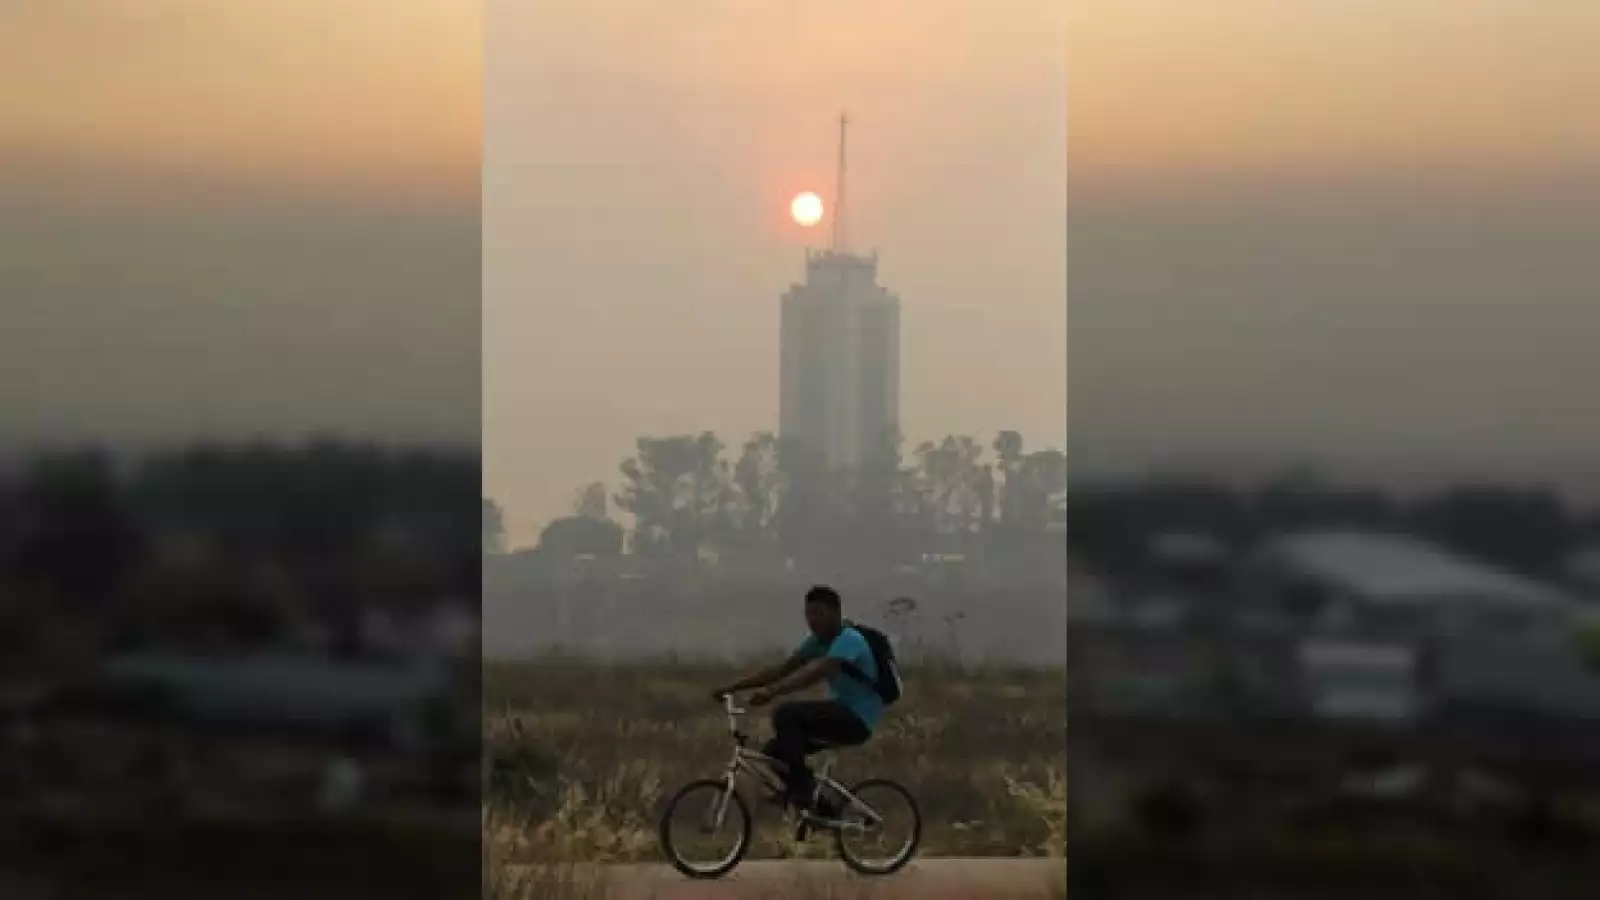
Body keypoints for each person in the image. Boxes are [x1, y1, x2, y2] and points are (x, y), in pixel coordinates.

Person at [711, 585, 881, 816]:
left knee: (786, 714)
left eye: (818, 614)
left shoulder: (849, 639)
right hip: (841, 713)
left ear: (835, 613)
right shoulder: (816, 642)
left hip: (857, 718)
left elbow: (815, 672)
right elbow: (782, 670)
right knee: (774, 752)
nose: (812, 621)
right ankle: (821, 808)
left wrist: (773, 692)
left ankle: (802, 790)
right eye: (808, 615)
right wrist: (733, 687)